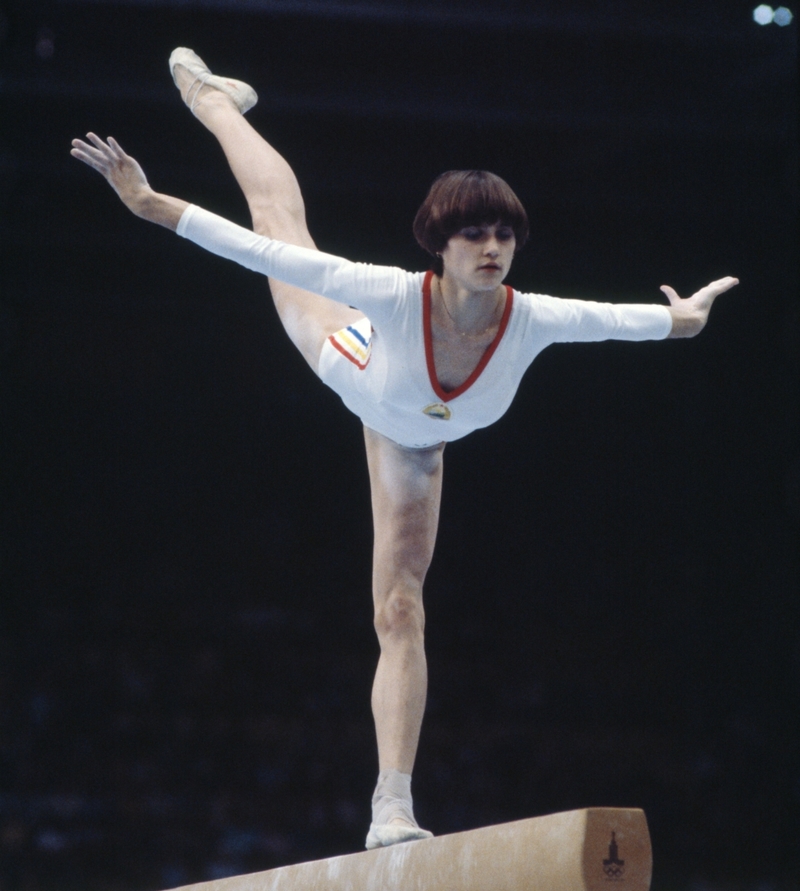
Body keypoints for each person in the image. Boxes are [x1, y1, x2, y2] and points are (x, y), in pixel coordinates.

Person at [71, 48, 738, 851]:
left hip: (418, 441)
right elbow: (259, 253)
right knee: (284, 224)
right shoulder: (392, 291)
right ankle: (213, 102)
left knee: (399, 606)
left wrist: (687, 319)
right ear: (441, 244)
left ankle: (391, 805)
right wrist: (149, 204)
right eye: (472, 234)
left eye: (502, 234)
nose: (491, 247)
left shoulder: (536, 317)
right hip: (346, 356)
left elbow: (633, 321)